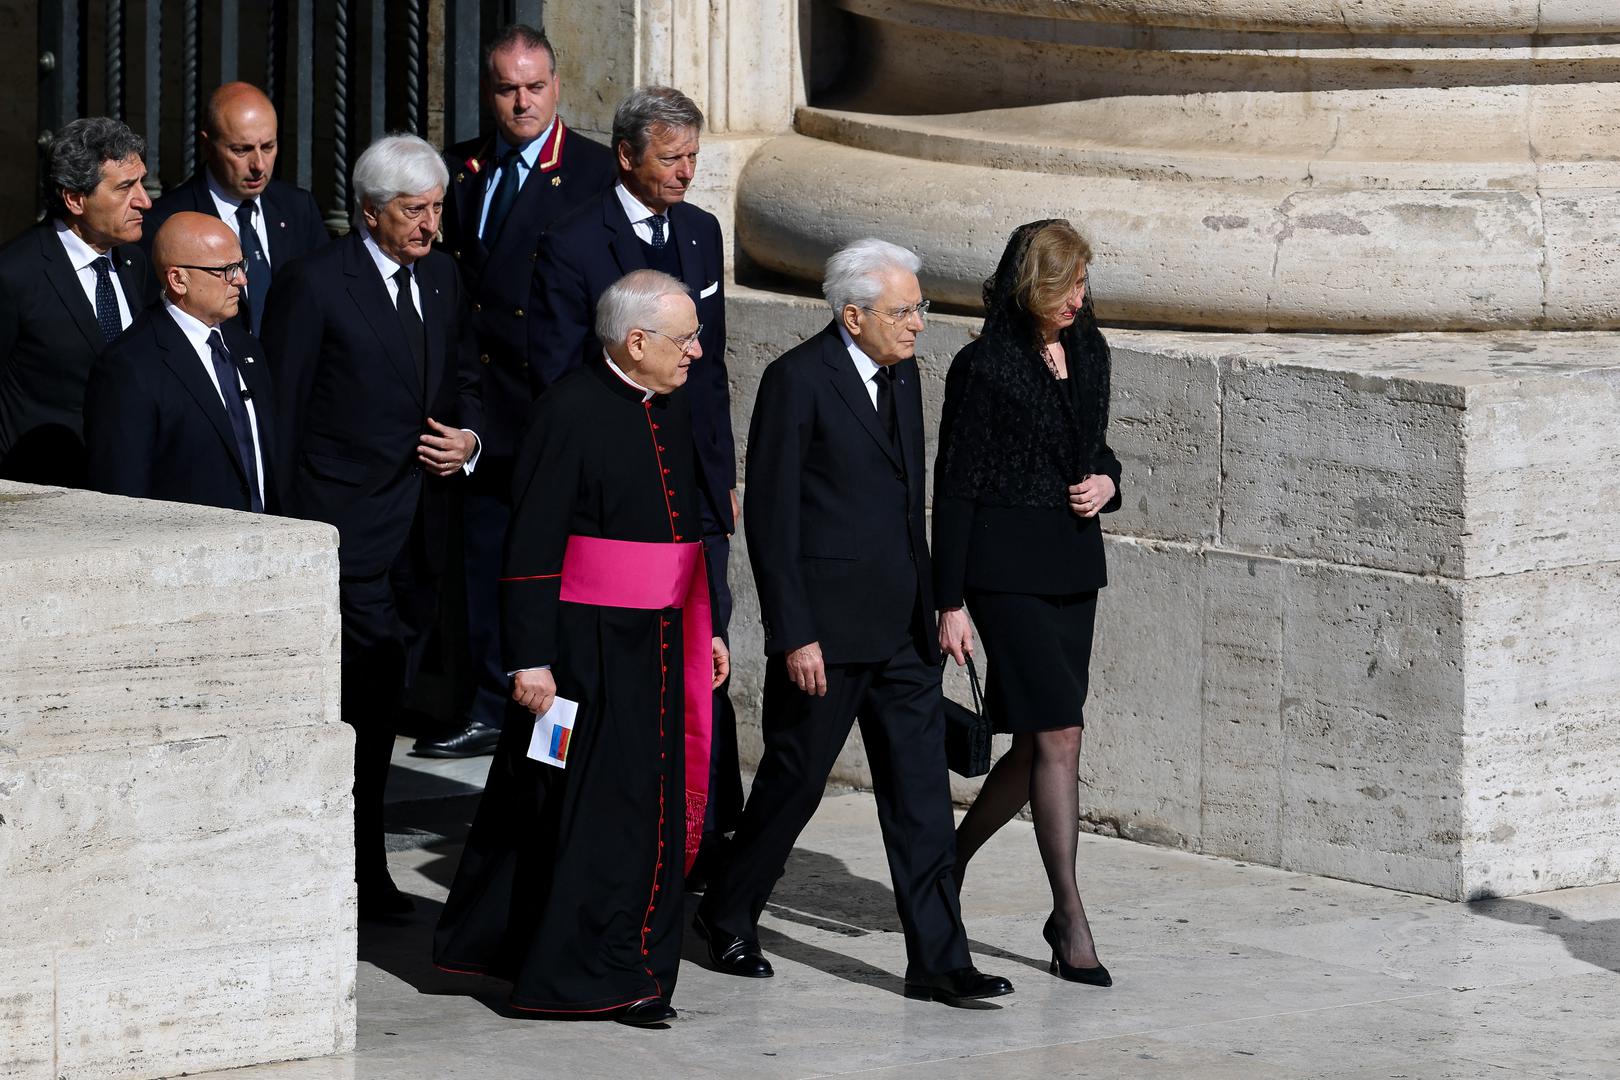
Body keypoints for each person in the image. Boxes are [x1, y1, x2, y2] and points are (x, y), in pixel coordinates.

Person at [694, 239, 1013, 1007]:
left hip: (903, 631)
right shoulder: (796, 381)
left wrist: (943, 604)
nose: (919, 324)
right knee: (793, 784)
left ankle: (939, 959)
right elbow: (771, 521)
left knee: (921, 802)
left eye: (920, 308)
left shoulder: (905, 379)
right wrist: (793, 633)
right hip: (825, 639)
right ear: (853, 315)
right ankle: (728, 909)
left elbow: (912, 510)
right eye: (905, 311)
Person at [434, 270, 728, 1027]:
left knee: (648, 811)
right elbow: (530, 541)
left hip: (661, 642)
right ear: (636, 342)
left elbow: (691, 528)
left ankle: (638, 967)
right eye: (684, 337)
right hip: (584, 654)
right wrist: (528, 658)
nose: (698, 349)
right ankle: (582, 974)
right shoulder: (567, 409)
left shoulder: (671, 401)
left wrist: (709, 623)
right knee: (580, 811)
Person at [260, 134, 482, 920]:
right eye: (414, 212)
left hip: (420, 534)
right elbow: (282, 415)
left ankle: (362, 861)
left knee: (386, 707)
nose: (430, 226)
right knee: (355, 707)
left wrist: (470, 442)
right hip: (343, 535)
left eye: (437, 209)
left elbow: (462, 383)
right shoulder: (315, 284)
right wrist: (286, 540)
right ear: (369, 213)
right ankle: (353, 870)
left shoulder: (445, 278)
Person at [530, 84, 742, 875]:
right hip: (613, 505)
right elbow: (557, 377)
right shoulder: (576, 239)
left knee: (704, 663)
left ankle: (705, 845)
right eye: (672, 157)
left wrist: (721, 474)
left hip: (692, 489)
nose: (687, 172)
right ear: (626, 156)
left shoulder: (700, 230)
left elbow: (710, 366)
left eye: (694, 156)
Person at [414, 23, 616, 760]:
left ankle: (542, 714)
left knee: (551, 566)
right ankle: (484, 700)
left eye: (535, 87)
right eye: (507, 88)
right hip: (481, 404)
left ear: (557, 87)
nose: (522, 102)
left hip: (552, 400)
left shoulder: (593, 171)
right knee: (482, 556)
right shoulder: (462, 168)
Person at [933, 219, 1122, 987]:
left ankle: (946, 861)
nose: (1077, 298)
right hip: (1005, 575)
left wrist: (1110, 484)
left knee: (1041, 742)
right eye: (1063, 285)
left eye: (1082, 283)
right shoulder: (983, 367)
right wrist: (948, 601)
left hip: (1075, 569)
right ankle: (1069, 917)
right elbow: (956, 486)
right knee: (1061, 736)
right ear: (1029, 286)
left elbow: (1096, 450)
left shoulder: (1091, 349)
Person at [0, 117, 160, 486]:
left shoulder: (134, 260)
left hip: (126, 485)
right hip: (44, 492)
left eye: (141, 182)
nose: (145, 201)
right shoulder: (15, 274)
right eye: (125, 188)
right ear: (74, 198)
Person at [83, 213, 276, 513]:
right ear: (178, 279)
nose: (242, 279)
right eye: (227, 269)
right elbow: (122, 497)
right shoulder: (129, 366)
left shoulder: (246, 347)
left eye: (241, 265)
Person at [140, 82, 329, 338]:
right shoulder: (168, 221)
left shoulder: (297, 208)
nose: (259, 165)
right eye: (242, 150)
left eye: (268, 147)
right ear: (207, 145)